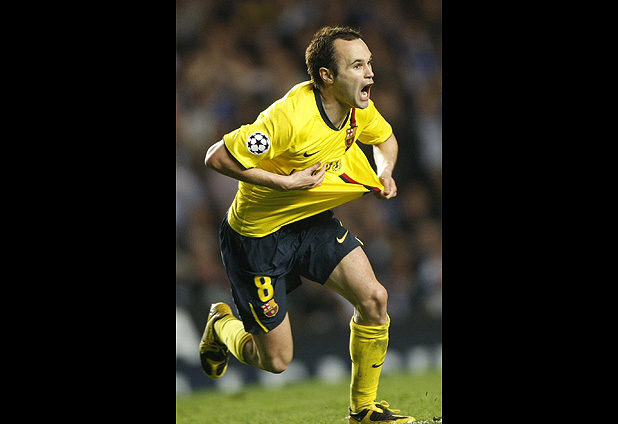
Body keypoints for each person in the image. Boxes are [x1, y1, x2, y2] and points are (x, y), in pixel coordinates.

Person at [200, 26, 416, 424]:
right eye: (357, 65)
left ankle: (363, 410)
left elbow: (385, 140)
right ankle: (222, 325)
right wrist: (285, 182)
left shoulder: (357, 108)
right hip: (258, 237)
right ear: (326, 76)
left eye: (369, 63)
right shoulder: (289, 118)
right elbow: (217, 157)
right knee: (276, 360)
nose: (370, 72)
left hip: (310, 223)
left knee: (374, 299)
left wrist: (385, 173)